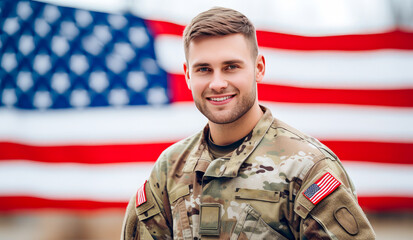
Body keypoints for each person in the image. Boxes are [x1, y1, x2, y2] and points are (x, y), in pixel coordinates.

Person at [121, 7, 376, 240]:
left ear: (259, 68)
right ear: (188, 75)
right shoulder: (168, 168)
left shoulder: (307, 168)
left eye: (231, 67)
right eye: (204, 69)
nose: (217, 83)